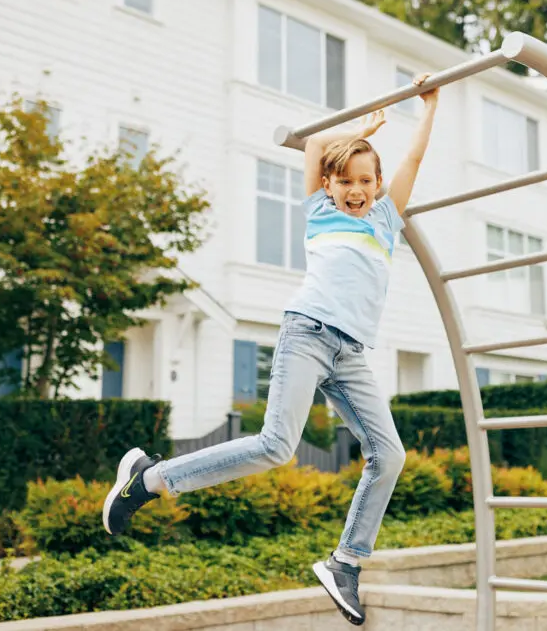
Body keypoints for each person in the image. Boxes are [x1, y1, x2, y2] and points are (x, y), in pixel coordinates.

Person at [102, 73, 440, 626]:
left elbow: (415, 162)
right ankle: (149, 480)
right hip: (307, 333)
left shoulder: (384, 219)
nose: (356, 190)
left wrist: (428, 106)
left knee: (391, 454)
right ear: (329, 185)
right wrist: (363, 127)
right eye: (345, 181)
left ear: (377, 184)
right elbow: (312, 146)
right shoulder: (320, 212)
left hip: (351, 353)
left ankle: (345, 563)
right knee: (276, 445)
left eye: (365, 180)